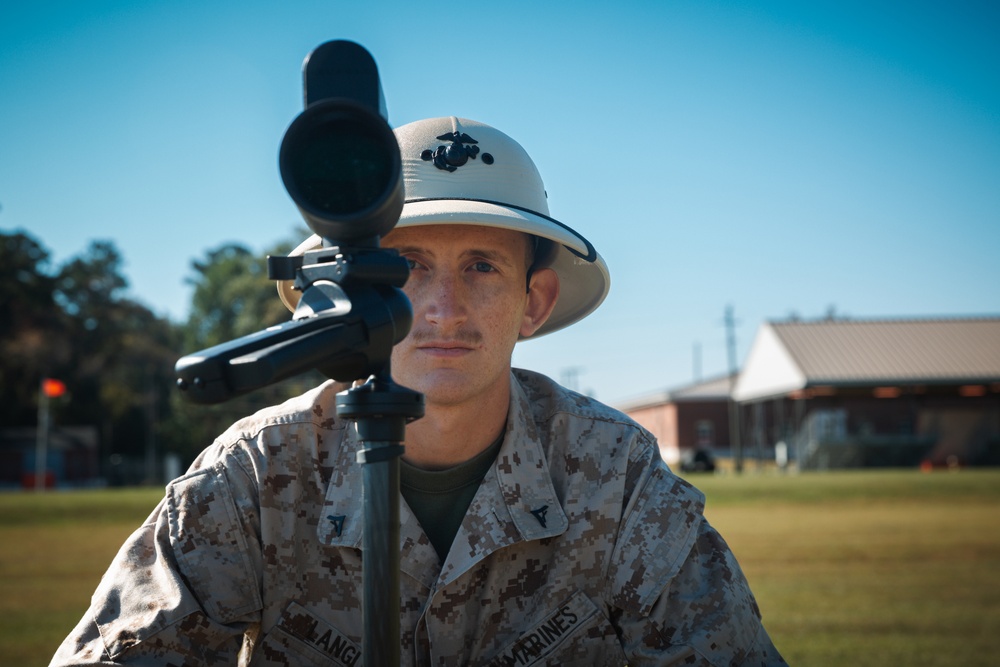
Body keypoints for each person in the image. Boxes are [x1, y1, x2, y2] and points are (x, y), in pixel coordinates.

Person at [52, 117, 786, 666]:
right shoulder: (257, 472)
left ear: (535, 301)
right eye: (405, 265)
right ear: (347, 289)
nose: (441, 308)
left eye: (481, 267)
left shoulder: (615, 474)